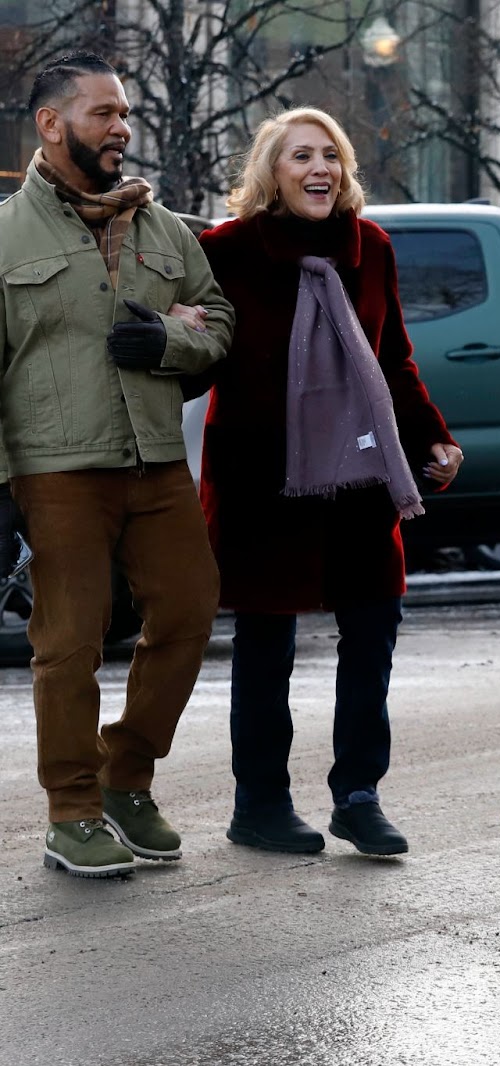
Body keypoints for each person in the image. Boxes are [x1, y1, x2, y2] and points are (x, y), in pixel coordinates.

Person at [196, 108, 461, 857]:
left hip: (359, 470)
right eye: (301, 156)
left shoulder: (370, 248)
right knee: (266, 639)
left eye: (331, 157)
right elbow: (202, 349)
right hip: (262, 474)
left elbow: (394, 357)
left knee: (373, 627)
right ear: (271, 173)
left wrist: (431, 436)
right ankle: (260, 803)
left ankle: (358, 795)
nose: (320, 169)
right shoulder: (229, 251)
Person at [0, 52, 233, 878]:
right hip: (55, 468)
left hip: (155, 458)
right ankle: (71, 813)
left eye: (125, 112)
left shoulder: (165, 230)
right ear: (52, 123)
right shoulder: (3, 235)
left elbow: (222, 321)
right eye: (103, 112)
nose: (121, 127)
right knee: (69, 640)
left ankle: (125, 777)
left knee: (189, 612)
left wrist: (170, 339)